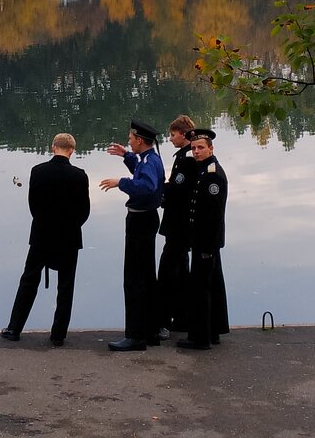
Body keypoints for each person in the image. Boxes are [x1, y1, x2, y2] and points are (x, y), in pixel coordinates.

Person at [1, 132, 90, 347]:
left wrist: (43, 222)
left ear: (53, 148)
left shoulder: (38, 172)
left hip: (41, 234)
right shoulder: (79, 176)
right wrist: (70, 226)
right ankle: (58, 335)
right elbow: (84, 211)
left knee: (29, 280)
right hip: (69, 237)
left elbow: (34, 205)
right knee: (66, 285)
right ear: (72, 151)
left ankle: (14, 328)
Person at [99, 119, 165, 351]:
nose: (129, 140)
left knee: (134, 278)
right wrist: (126, 156)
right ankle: (151, 331)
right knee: (147, 276)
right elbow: (142, 172)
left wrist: (121, 182)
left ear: (139, 140)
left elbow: (145, 186)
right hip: (147, 220)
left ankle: (135, 336)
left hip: (140, 221)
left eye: (130, 138)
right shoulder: (151, 158)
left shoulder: (148, 162)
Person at [177, 128, 230, 350]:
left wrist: (207, 247)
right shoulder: (202, 171)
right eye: (194, 148)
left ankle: (200, 338)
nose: (196, 151)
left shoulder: (212, 175)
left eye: (201, 148)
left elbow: (214, 215)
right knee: (212, 285)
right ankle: (213, 331)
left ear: (211, 148)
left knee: (200, 288)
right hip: (203, 240)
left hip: (206, 242)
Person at [157, 115, 196, 339]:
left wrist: (161, 191)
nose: (170, 139)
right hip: (182, 226)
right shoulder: (186, 155)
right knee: (182, 270)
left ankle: (163, 319)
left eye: (172, 135)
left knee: (169, 270)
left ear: (183, 134)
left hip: (178, 226)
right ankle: (183, 317)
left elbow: (178, 191)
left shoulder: (187, 158)